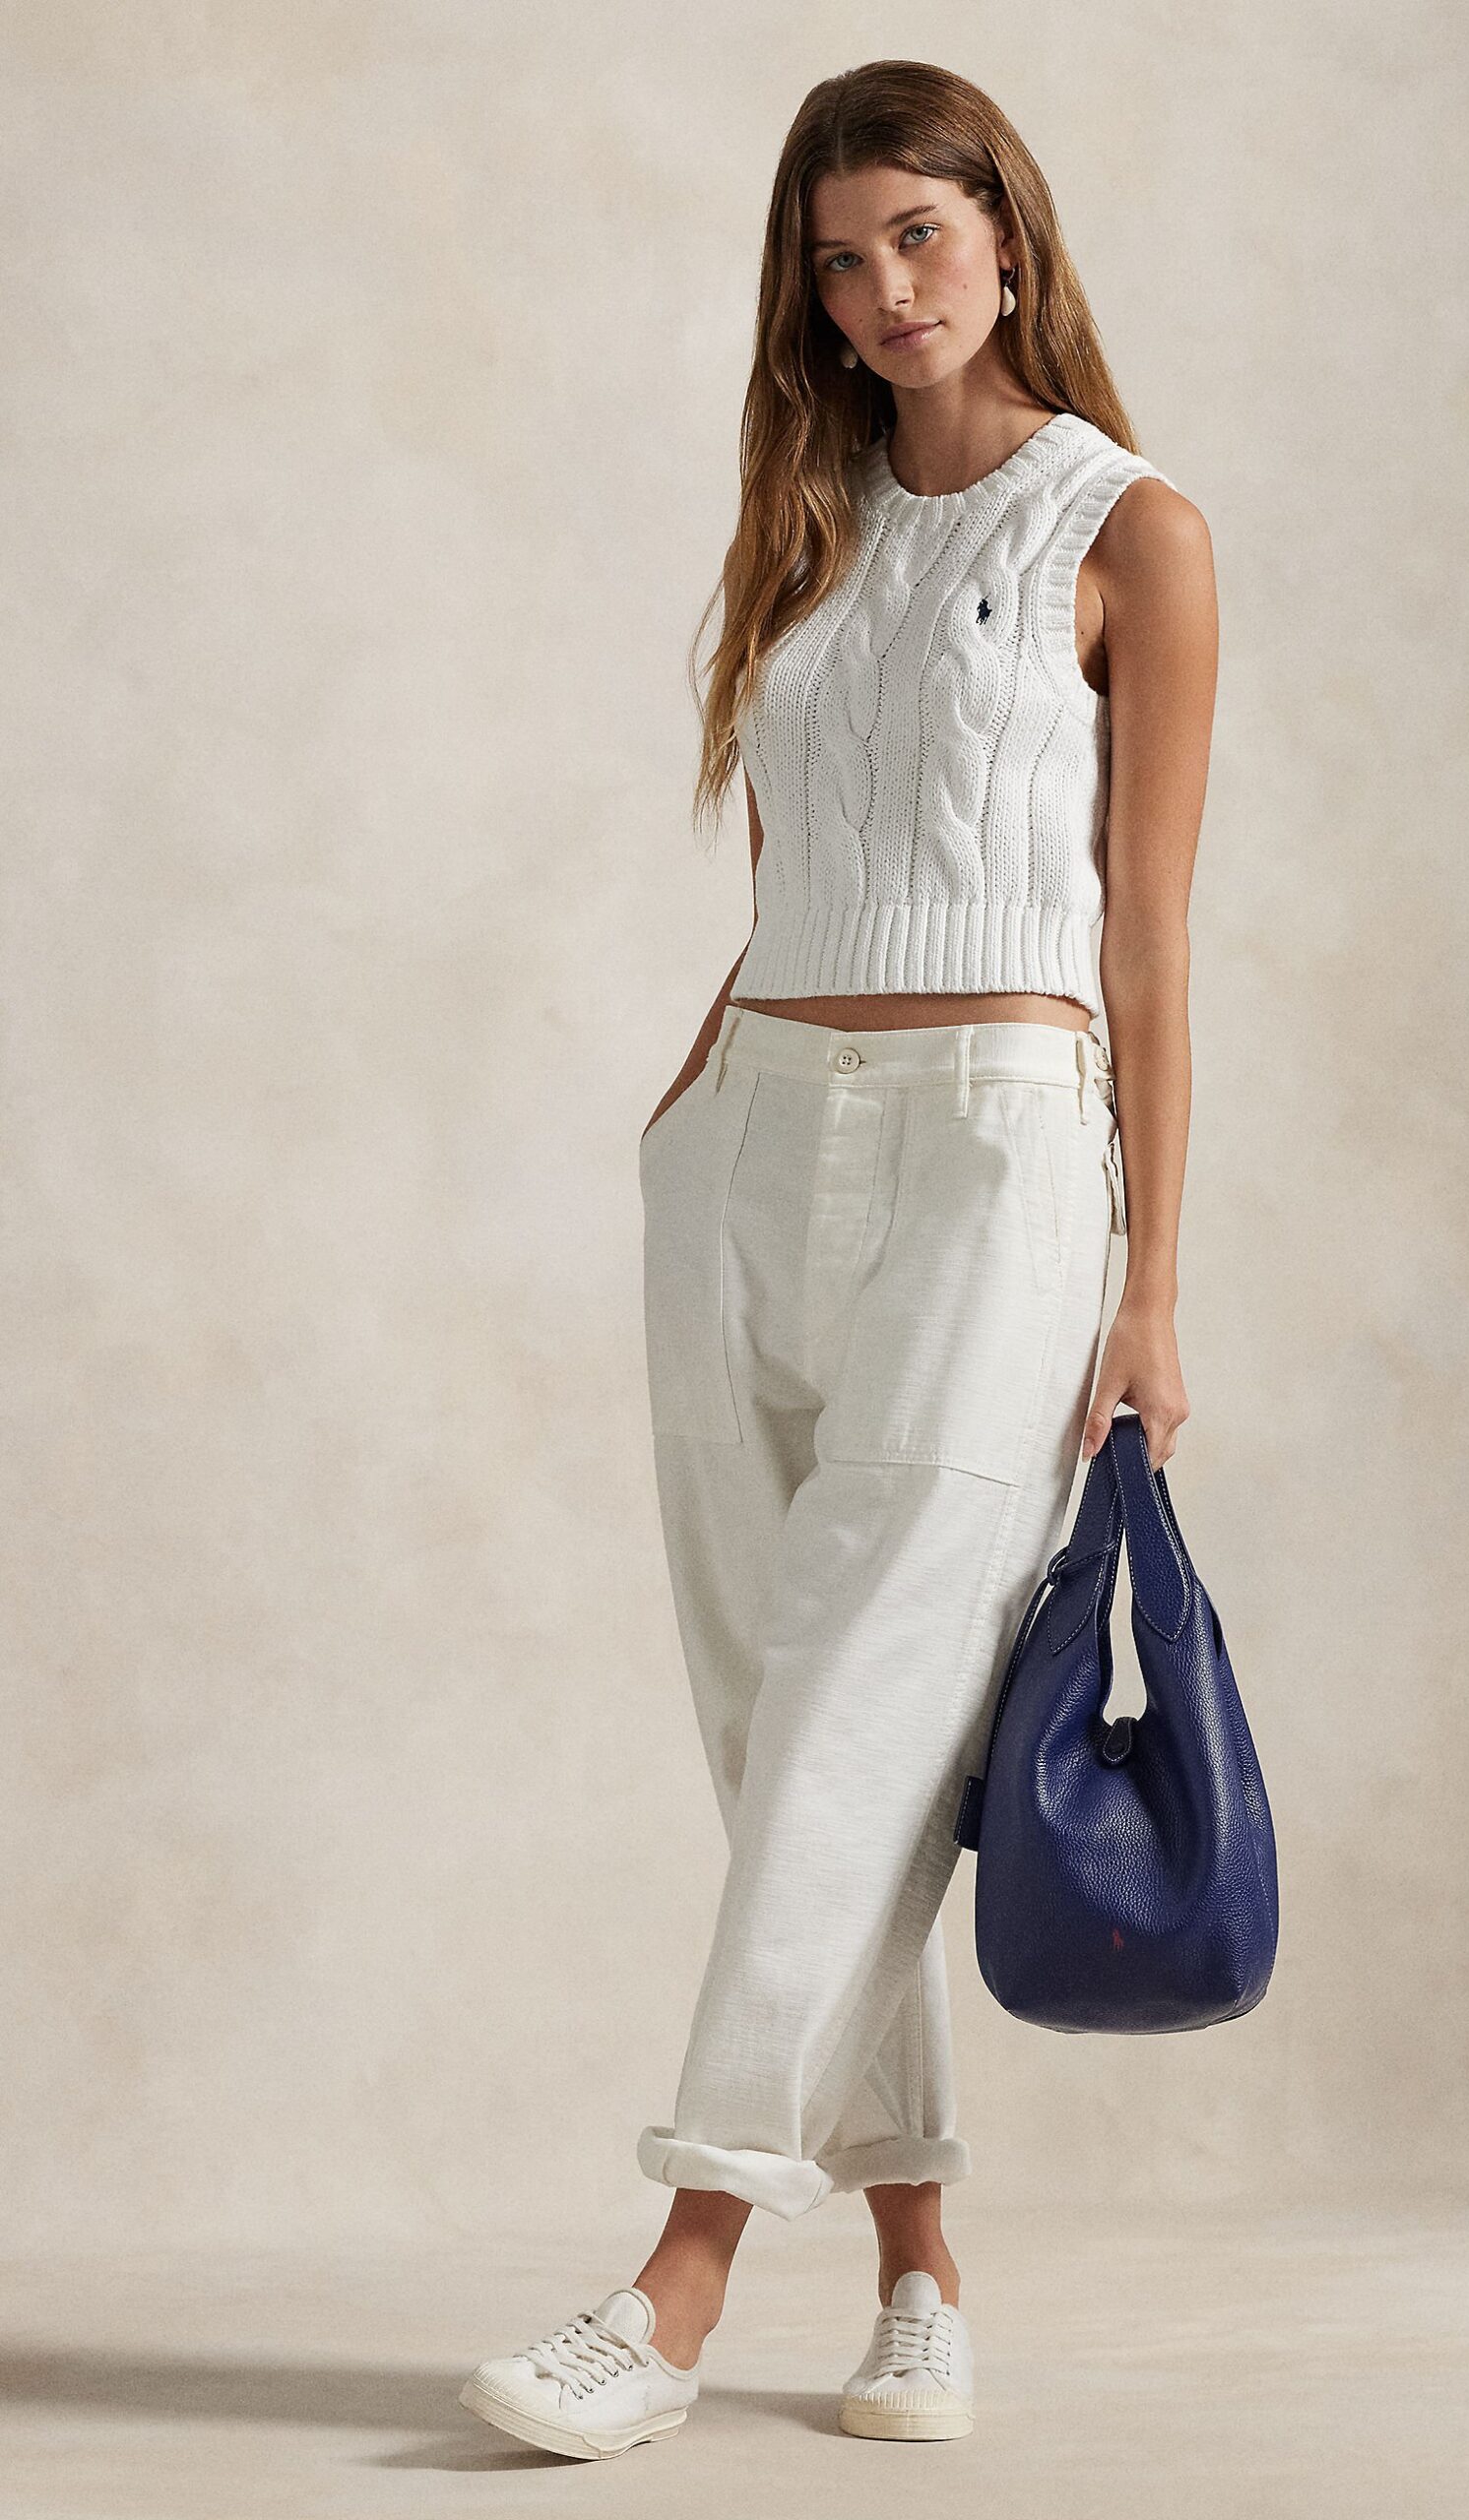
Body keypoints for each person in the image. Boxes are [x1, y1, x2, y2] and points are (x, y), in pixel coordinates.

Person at [460, 58, 1217, 2461]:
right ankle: (916, 2267)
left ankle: (676, 2276)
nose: (881, 292)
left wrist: (1150, 1284)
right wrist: (683, 1113)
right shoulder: (799, 527)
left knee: (867, 1700)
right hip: (751, 1144)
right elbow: (795, 871)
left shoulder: (1130, 528)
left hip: (1003, 1153)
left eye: (915, 235)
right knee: (772, 1718)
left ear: (1006, 234)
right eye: (834, 258)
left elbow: (1147, 937)